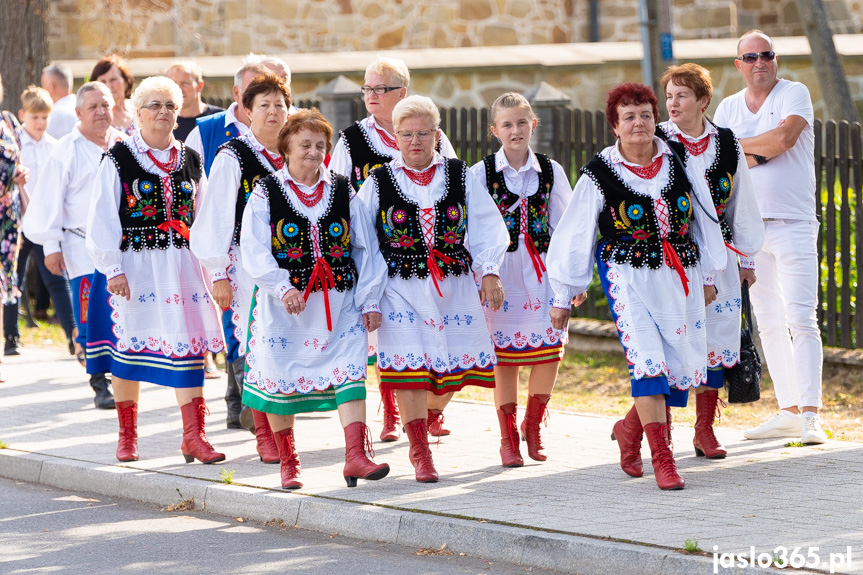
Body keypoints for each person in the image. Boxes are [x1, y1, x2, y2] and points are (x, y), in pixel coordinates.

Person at [547, 83, 726, 490]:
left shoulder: (679, 160)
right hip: (626, 274)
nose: (639, 123)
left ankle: (630, 430)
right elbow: (576, 234)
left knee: (676, 366)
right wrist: (563, 294)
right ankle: (663, 458)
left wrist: (710, 276)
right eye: (628, 117)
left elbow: (705, 218)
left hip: (679, 272)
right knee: (647, 359)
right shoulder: (600, 173)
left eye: (645, 114)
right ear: (615, 126)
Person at [358, 95, 508, 483]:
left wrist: (488, 271)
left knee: (453, 371)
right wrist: (370, 296)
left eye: (423, 133)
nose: (415, 141)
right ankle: (420, 451)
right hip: (399, 287)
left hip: (453, 286)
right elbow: (364, 243)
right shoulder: (377, 182)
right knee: (410, 370)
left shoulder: (459, 175)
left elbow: (486, 224)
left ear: (437, 135)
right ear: (394, 138)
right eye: (406, 134)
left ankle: (428, 417)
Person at [240, 108, 389, 489]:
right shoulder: (266, 192)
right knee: (280, 380)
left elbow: (365, 248)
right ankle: (289, 463)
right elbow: (254, 249)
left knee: (351, 372)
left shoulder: (343, 189)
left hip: (339, 303)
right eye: (304, 144)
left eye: (320, 145)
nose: (313, 151)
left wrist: (369, 299)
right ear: (287, 147)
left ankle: (356, 456)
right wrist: (282, 287)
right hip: (286, 306)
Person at [86, 76, 225, 464]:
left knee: (189, 348)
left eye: (170, 106)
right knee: (129, 350)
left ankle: (194, 436)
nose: (163, 112)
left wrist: (216, 271)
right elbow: (101, 217)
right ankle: (127, 436)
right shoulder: (119, 157)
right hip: (134, 266)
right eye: (154, 105)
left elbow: (207, 219)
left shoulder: (192, 160)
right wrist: (113, 268)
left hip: (182, 265)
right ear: (137, 111)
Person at [330, 56, 457, 442]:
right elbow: (338, 189)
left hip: (424, 253)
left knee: (435, 336)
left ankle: (423, 410)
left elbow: (452, 181)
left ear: (402, 92)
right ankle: (390, 414)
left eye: (379, 89)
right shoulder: (352, 139)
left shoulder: (427, 131)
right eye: (366, 88)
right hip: (375, 249)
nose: (370, 95)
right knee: (386, 334)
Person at [713, 30, 827, 444]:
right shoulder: (727, 106)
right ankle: (789, 410)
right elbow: (722, 161)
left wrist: (749, 152)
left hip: (794, 223)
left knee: (801, 317)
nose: (759, 62)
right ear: (739, 64)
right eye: (750, 56)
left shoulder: (793, 93)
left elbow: (783, 138)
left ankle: (812, 414)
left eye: (766, 55)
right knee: (770, 324)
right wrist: (755, 152)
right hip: (750, 233)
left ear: (774, 60)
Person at [658, 63, 764, 458]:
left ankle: (704, 431)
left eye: (681, 95)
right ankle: (658, 432)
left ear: (703, 101)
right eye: (669, 96)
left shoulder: (726, 142)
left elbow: (742, 202)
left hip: (720, 260)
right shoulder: (658, 142)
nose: (673, 103)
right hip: (674, 261)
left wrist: (748, 258)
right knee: (673, 343)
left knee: (716, 342)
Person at [191, 72, 290, 464]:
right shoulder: (233, 155)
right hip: (246, 266)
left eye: (279, 105)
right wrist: (218, 274)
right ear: (247, 112)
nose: (273, 112)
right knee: (256, 346)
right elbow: (214, 215)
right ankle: (265, 434)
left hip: (290, 266)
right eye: (263, 105)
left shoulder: (295, 150)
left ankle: (283, 427)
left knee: (285, 347)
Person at [470, 93, 572, 467]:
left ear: (533, 124)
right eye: (507, 125)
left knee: (550, 348)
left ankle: (534, 423)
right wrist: (485, 273)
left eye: (521, 122)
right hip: (500, 275)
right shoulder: (480, 174)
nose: (515, 130)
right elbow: (474, 230)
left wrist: (570, 282)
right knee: (505, 357)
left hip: (543, 272)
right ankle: (508, 434)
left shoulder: (550, 170)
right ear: (495, 130)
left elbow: (566, 228)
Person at [23, 82, 125, 409]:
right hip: (81, 246)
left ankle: (124, 375)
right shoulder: (66, 149)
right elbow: (50, 198)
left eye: (105, 105)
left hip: (123, 247)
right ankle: (100, 382)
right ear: (78, 112)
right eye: (92, 107)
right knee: (91, 314)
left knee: (121, 313)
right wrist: (51, 244)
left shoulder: (124, 145)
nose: (100, 112)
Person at [4, 86, 58, 357]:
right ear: (23, 115)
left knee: (55, 276)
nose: (40, 123)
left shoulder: (55, 147)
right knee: (14, 277)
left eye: (45, 118)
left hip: (46, 223)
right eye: (35, 117)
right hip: (20, 222)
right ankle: (12, 335)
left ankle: (73, 333)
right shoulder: (16, 142)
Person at [0, 73, 31, 383]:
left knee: (2, 283)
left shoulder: (7, 119)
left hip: (8, 216)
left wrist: (21, 172)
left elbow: (18, 157)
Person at [165, 61, 223, 142]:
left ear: (199, 86)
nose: (178, 89)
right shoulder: (164, 121)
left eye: (185, 83)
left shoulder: (220, 119)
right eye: (173, 84)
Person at [91, 55, 137, 136]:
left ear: (126, 81)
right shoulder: (94, 116)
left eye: (113, 80)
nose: (108, 86)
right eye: (103, 81)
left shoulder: (138, 108)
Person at [41, 64, 77, 139]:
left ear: (51, 87)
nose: (42, 90)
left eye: (43, 85)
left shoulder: (55, 113)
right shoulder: (80, 105)